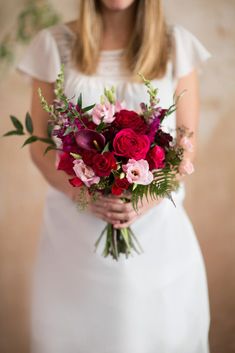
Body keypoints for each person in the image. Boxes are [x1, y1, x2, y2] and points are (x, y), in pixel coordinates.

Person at [17, 0, 211, 352]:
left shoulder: (175, 44)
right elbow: (40, 146)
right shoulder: (52, 44)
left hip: (157, 235)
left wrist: (144, 200)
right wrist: (83, 196)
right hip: (73, 239)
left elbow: (186, 144)